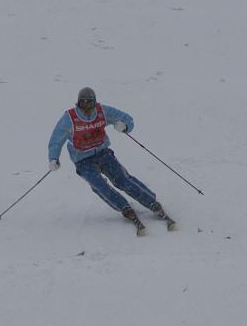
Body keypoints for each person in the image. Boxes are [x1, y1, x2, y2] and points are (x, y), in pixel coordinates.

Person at [47, 87, 174, 235]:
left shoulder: (102, 112)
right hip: (82, 160)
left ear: (95, 103)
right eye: (83, 104)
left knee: (122, 180)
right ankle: (124, 207)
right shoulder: (69, 118)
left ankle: (151, 202)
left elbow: (126, 118)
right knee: (99, 186)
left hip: (103, 153)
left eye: (90, 103)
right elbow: (56, 140)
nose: (87, 108)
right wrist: (54, 158)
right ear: (78, 103)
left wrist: (125, 126)